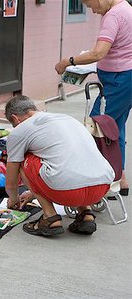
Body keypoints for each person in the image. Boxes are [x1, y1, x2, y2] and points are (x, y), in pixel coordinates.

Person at [4, 95, 114, 236]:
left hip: (67, 192)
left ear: (15, 118)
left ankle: (50, 217)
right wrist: (33, 193)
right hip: (101, 188)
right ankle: (85, 214)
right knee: (71, 157)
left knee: (24, 159)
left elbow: (11, 183)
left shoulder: (20, 131)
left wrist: (13, 199)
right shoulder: (67, 118)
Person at [55, 0, 132, 196]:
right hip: (123, 77)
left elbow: (99, 52)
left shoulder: (114, 15)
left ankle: (96, 182)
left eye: (90, 5)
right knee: (115, 128)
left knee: (95, 127)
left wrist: (68, 61)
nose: (93, 11)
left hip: (119, 80)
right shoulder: (126, 8)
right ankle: (119, 178)